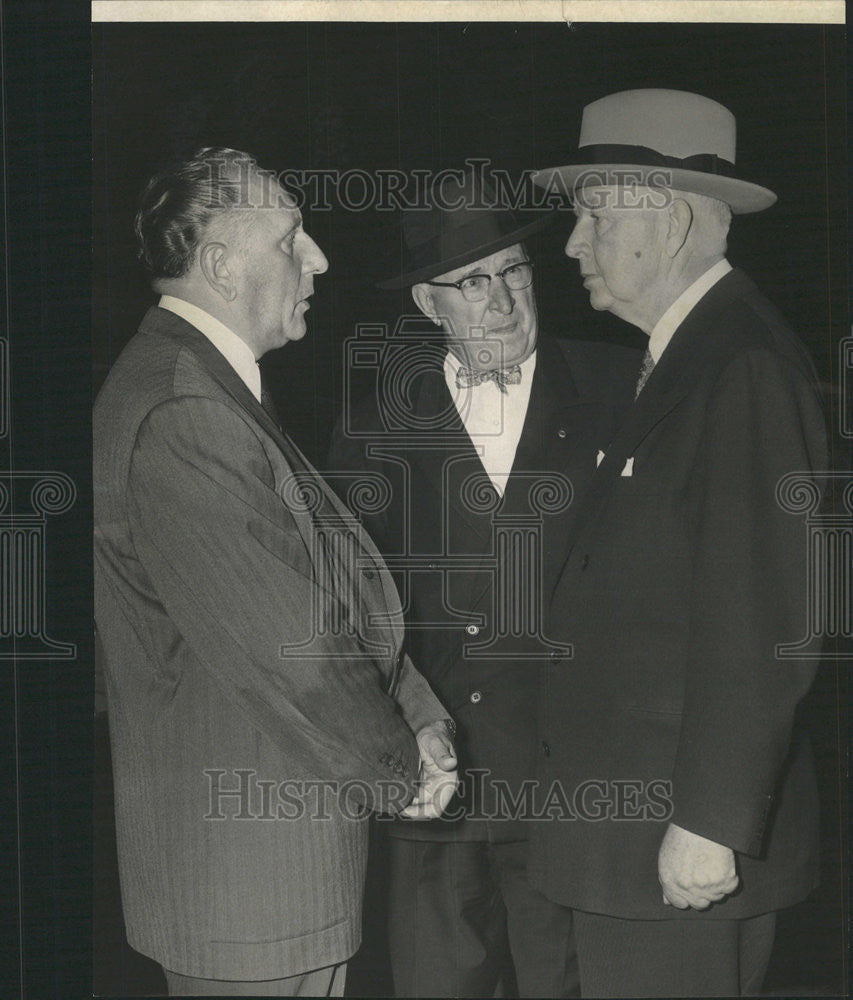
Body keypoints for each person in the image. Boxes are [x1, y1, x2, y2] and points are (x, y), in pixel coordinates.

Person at [93, 147, 457, 997]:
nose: (319, 258)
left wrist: (419, 717)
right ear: (221, 264)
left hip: (262, 882)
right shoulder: (187, 407)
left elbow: (325, 594)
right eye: (292, 236)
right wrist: (403, 771)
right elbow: (294, 651)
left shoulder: (207, 388)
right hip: (249, 891)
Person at [528, 89, 828, 997]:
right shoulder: (679, 359)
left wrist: (710, 822)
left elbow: (762, 612)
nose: (573, 241)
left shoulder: (738, 365)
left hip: (676, 847)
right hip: (625, 840)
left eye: (591, 212)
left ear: (660, 216)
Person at [328, 171, 640, 997]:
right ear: (429, 305)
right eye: (471, 282)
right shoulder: (369, 430)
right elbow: (352, 619)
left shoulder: (623, 386)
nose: (500, 301)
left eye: (513, 272)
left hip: (579, 792)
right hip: (439, 796)